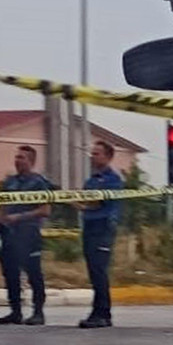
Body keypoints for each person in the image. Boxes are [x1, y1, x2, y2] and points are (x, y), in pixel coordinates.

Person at [0, 145, 52, 326]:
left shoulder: (38, 183)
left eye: (21, 157)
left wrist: (20, 217)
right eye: (16, 157)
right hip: (9, 233)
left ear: (31, 161)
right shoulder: (11, 182)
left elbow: (45, 210)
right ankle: (15, 311)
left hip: (28, 232)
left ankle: (38, 312)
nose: (17, 160)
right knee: (10, 273)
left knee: (33, 273)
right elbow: (4, 207)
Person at [76, 140, 123, 329]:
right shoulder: (91, 180)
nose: (93, 157)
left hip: (103, 228)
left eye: (97, 154)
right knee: (93, 272)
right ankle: (96, 312)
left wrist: (77, 203)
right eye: (92, 153)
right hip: (89, 227)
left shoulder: (112, 179)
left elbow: (96, 203)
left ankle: (103, 313)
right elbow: (86, 202)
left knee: (99, 270)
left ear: (108, 157)